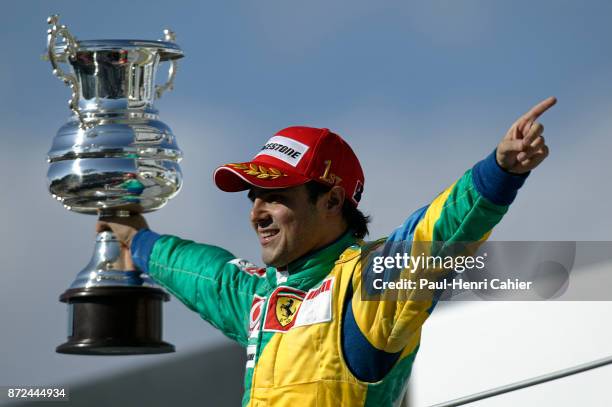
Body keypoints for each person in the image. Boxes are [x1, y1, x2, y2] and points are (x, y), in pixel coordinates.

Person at [97, 96, 556, 406]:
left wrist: (501, 171)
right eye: (252, 196)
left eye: (276, 196)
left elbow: (438, 229)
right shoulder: (263, 297)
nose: (257, 212)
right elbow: (207, 274)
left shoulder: (366, 284)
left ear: (332, 200)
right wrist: (135, 238)